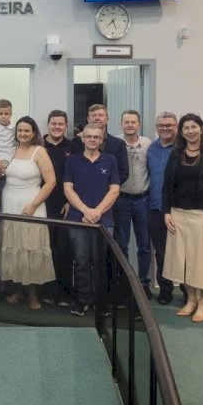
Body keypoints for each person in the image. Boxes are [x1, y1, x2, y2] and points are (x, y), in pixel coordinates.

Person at [162, 113, 203, 323]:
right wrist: (166, 212)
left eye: (193, 127)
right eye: (185, 128)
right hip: (178, 215)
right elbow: (166, 186)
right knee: (184, 261)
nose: (190, 131)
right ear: (181, 132)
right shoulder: (175, 154)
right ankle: (191, 299)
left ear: (201, 128)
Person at [0, 116, 56, 310]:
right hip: (10, 203)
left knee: (31, 248)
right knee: (15, 247)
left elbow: (51, 182)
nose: (22, 134)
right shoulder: (10, 151)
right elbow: (1, 173)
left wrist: (33, 205)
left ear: (34, 133)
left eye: (27, 131)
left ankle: (33, 294)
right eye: (20, 130)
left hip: (31, 205)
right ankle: (18, 290)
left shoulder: (40, 151)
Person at [64, 124, 121, 316]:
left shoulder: (110, 160)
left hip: (103, 220)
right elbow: (68, 189)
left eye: (96, 137)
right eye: (89, 136)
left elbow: (114, 190)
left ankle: (100, 301)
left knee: (100, 262)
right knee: (80, 261)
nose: (92, 140)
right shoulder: (72, 160)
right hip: (77, 218)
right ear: (82, 138)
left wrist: (97, 211)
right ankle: (82, 300)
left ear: (102, 139)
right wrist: (85, 210)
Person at [113, 110, 152, 299]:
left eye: (133, 122)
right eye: (126, 122)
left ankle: (144, 282)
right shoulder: (115, 144)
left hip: (143, 200)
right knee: (122, 244)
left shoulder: (147, 144)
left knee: (144, 245)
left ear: (139, 124)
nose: (130, 125)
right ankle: (124, 283)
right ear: (121, 124)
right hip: (121, 200)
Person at [42, 110, 74, 306]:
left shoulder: (73, 147)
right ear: (48, 125)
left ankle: (64, 293)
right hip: (42, 204)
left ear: (66, 126)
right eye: (53, 123)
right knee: (45, 248)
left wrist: (70, 201)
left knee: (64, 249)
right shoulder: (39, 146)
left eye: (61, 124)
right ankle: (46, 291)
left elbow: (77, 176)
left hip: (65, 206)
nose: (57, 127)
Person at [147, 112, 179, 305]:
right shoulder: (151, 148)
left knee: (183, 252)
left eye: (169, 125)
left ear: (176, 126)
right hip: (155, 207)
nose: (165, 128)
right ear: (156, 127)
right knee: (161, 252)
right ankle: (165, 289)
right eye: (161, 125)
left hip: (179, 209)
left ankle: (186, 289)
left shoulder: (183, 148)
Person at [71, 104, 129, 185]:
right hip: (82, 191)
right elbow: (73, 168)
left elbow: (123, 173)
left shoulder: (119, 144)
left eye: (101, 115)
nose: (97, 118)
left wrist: (104, 187)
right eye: (94, 115)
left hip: (109, 193)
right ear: (88, 119)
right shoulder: (77, 141)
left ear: (107, 119)